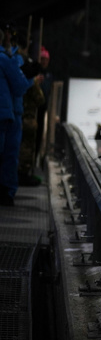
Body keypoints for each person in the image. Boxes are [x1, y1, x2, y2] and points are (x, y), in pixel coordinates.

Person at [0, 25, 32, 205]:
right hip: (7, 113)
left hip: (10, 112)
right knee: (9, 154)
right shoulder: (8, 58)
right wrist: (29, 77)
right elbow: (19, 86)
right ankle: (7, 192)